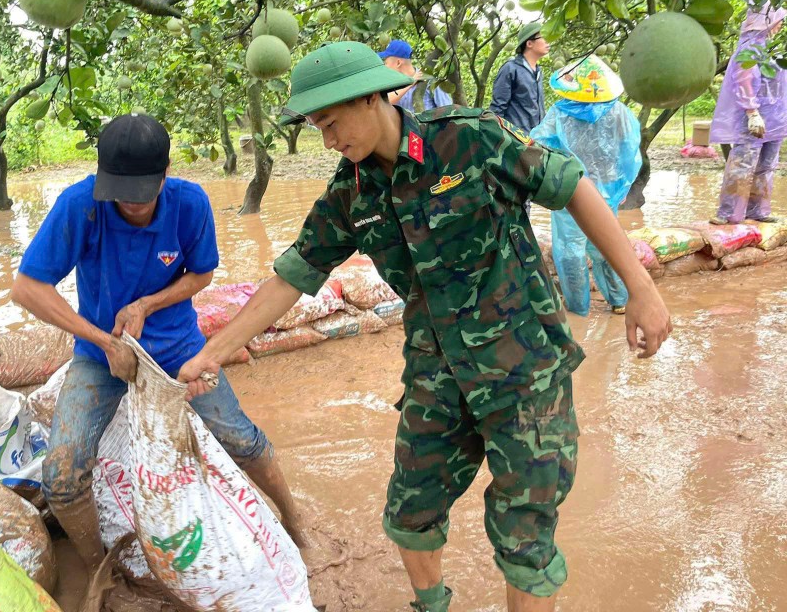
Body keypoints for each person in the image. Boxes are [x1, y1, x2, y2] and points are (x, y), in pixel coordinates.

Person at [176, 42, 672, 612]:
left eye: (333, 123)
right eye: (318, 128)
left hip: (523, 369)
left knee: (525, 535)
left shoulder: (471, 138)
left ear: (373, 97)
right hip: (437, 374)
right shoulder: (350, 192)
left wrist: (641, 287)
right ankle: (431, 605)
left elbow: (574, 188)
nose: (329, 141)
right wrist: (213, 352)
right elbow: (291, 278)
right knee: (410, 512)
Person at [10, 113, 306, 581]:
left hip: (178, 349)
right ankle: (99, 569)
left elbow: (202, 274)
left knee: (240, 440)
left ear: (165, 175)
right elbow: (27, 288)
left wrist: (147, 304)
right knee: (62, 478)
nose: (130, 204)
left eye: (141, 193)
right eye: (119, 193)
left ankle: (294, 521)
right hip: (100, 356)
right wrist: (105, 340)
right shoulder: (80, 206)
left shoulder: (190, 204)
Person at [531, 59, 642, 316]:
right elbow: (630, 153)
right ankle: (620, 300)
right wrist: (622, 188)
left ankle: (578, 308)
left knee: (570, 251)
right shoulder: (620, 112)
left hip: (570, 189)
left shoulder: (560, 113)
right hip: (606, 192)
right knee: (606, 244)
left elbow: (536, 146)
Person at [709, 1, 787, 224]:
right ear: (766, 21)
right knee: (742, 165)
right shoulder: (750, 49)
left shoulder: (774, 49)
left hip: (776, 119)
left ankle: (757, 211)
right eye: (778, 20)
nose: (780, 25)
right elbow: (743, 82)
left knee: (766, 166)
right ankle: (729, 214)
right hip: (753, 118)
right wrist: (752, 112)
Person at [490, 21, 549, 132]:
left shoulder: (538, 71)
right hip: (516, 140)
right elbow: (497, 109)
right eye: (543, 37)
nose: (547, 41)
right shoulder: (510, 69)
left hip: (534, 139)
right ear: (529, 44)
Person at [379, 39, 452, 113]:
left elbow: (448, 112)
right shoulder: (392, 85)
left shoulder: (430, 81)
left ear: (398, 63)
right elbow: (386, 103)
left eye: (386, 63)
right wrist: (411, 82)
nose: (385, 67)